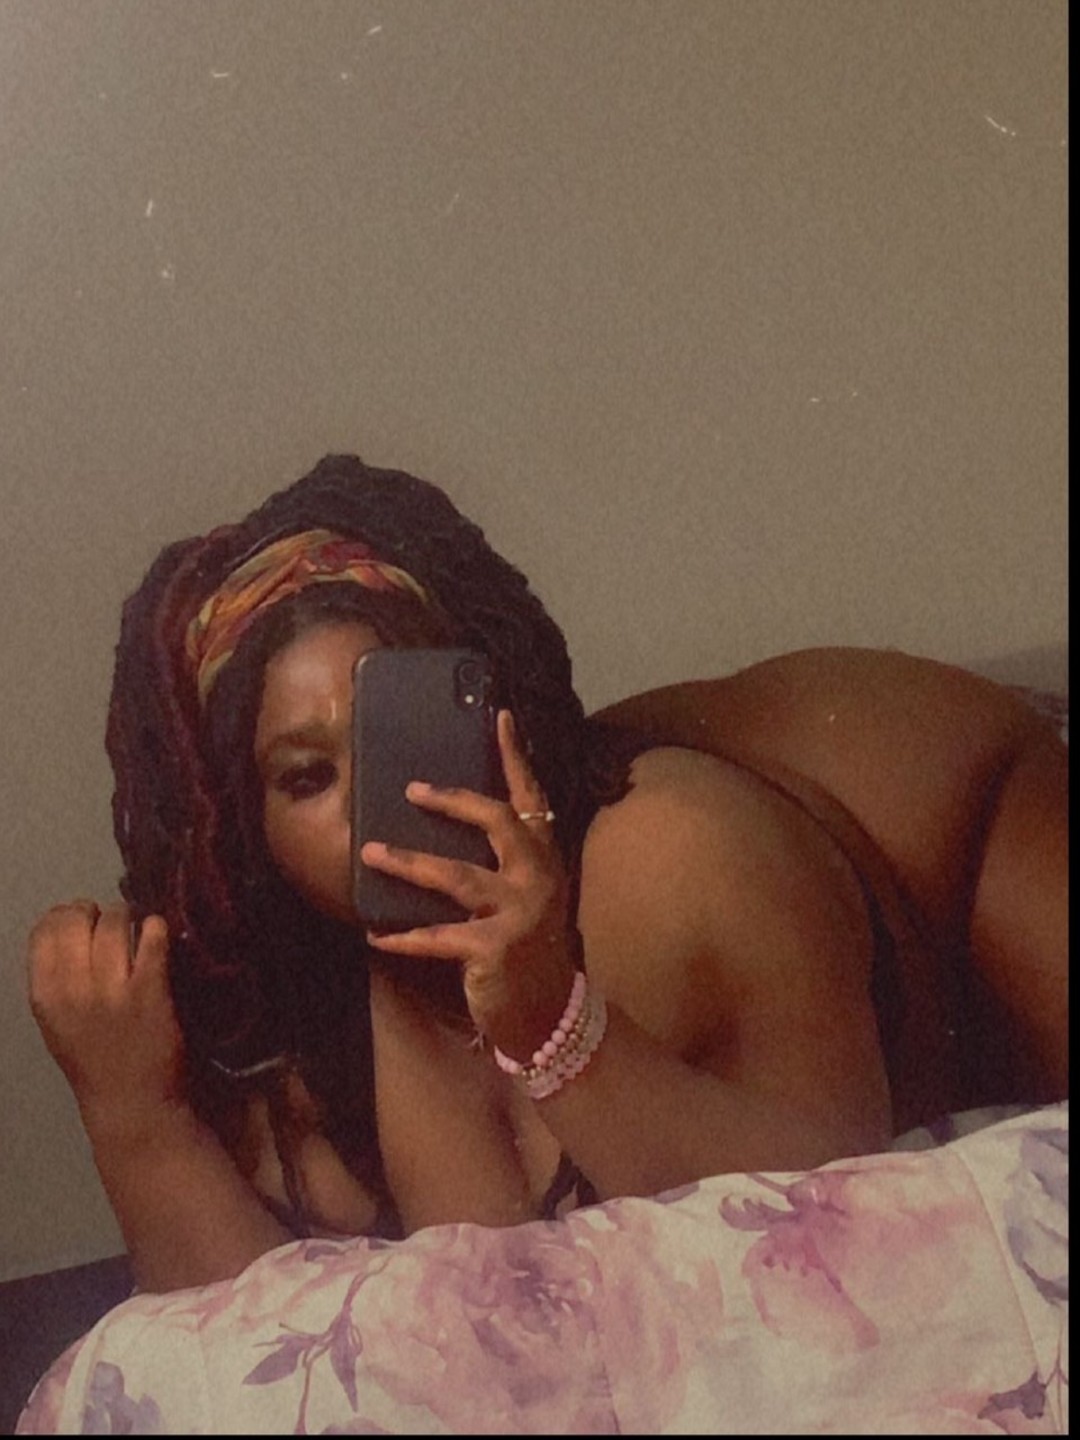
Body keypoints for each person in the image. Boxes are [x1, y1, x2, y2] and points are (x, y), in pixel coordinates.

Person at [26, 454, 1068, 1295]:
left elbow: (849, 1220)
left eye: (402, 740)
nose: (371, 806)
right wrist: (133, 1117)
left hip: (946, 811)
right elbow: (243, 1338)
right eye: (305, 777)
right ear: (242, 829)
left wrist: (558, 1031)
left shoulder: (673, 862)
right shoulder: (275, 1014)